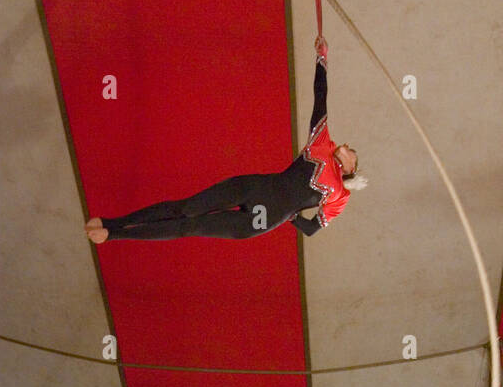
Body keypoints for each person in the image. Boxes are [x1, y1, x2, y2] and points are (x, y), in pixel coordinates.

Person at [89, 36, 363, 251]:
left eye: (352, 150)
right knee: (185, 208)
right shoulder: (322, 144)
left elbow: (311, 229)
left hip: (261, 219)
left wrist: (291, 215)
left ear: (351, 166)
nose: (347, 143)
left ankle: (112, 235)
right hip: (254, 186)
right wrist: (321, 58)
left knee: (189, 227)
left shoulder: (340, 194)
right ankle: (113, 223)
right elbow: (320, 98)